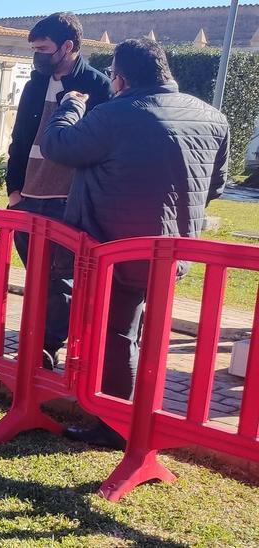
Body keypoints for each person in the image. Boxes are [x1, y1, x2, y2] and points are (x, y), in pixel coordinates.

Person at [41, 38, 229, 449]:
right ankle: (133, 413)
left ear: (120, 78)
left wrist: (70, 107)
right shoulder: (213, 118)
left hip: (115, 249)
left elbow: (59, 147)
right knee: (139, 330)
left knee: (117, 334)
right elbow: (215, 185)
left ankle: (114, 422)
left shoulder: (114, 114)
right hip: (174, 249)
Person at [5, 13, 112, 369]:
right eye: (34, 48)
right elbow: (19, 139)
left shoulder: (98, 86)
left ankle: (49, 346)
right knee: (36, 275)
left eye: (43, 48)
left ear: (68, 46)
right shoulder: (34, 83)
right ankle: (36, 339)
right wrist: (14, 191)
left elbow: (97, 146)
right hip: (28, 197)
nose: (37, 55)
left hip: (67, 199)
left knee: (61, 278)